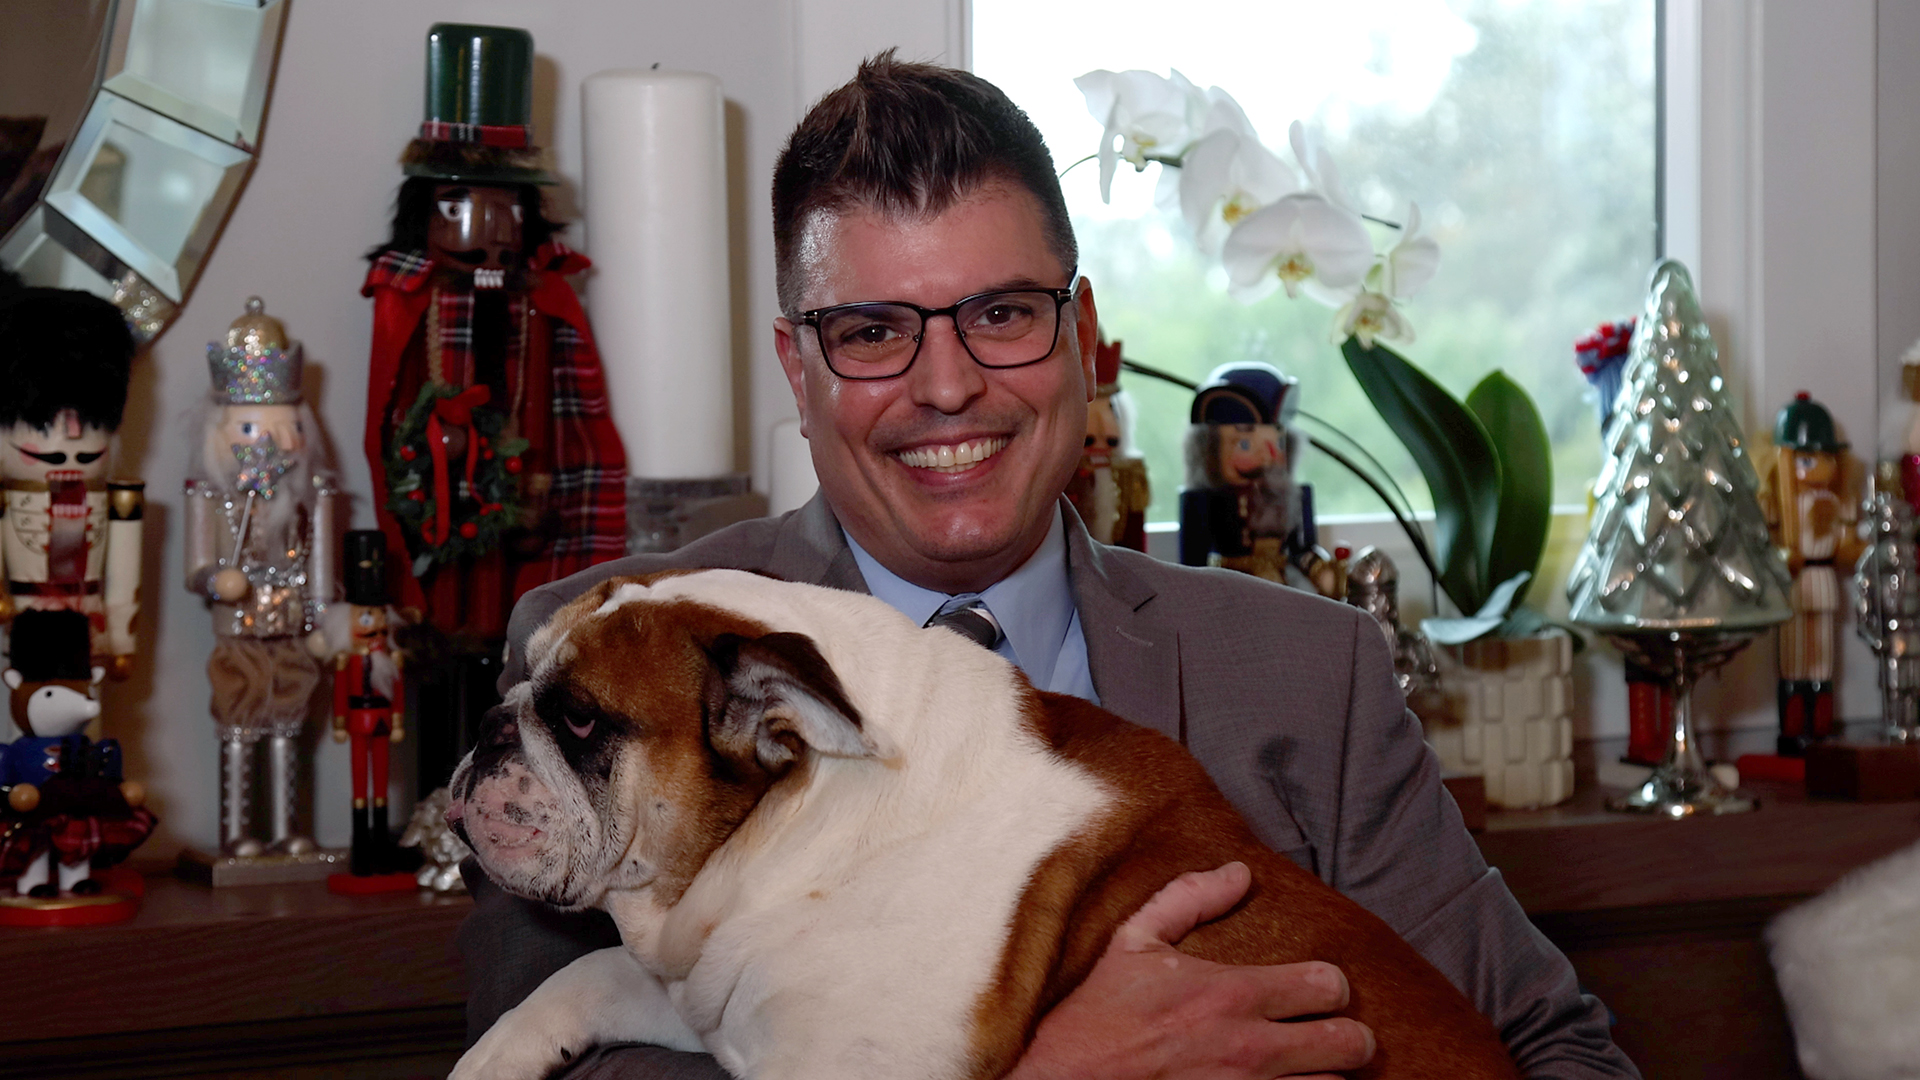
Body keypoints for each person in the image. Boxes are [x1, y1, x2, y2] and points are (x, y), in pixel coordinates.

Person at [457, 53, 1639, 1079]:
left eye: (1003, 314)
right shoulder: (599, 668)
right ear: (796, 370)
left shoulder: (1306, 670)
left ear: (1085, 338)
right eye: (872, 332)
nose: (947, 386)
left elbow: (1560, 1051)